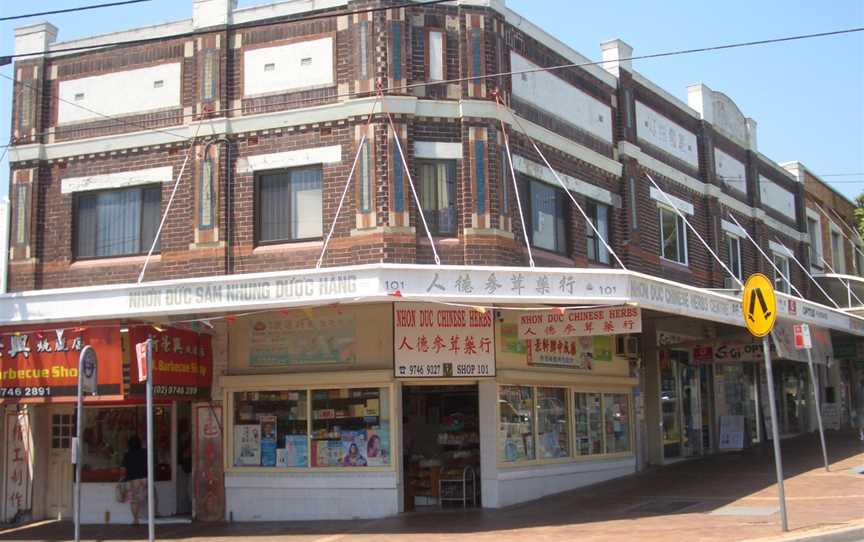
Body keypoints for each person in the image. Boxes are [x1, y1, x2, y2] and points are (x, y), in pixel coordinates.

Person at [121, 435, 148, 524]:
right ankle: (152, 514)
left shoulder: (127, 454)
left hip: (132, 479)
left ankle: (135, 519)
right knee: (148, 497)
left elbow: (123, 469)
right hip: (144, 478)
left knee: (134, 501)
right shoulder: (145, 452)